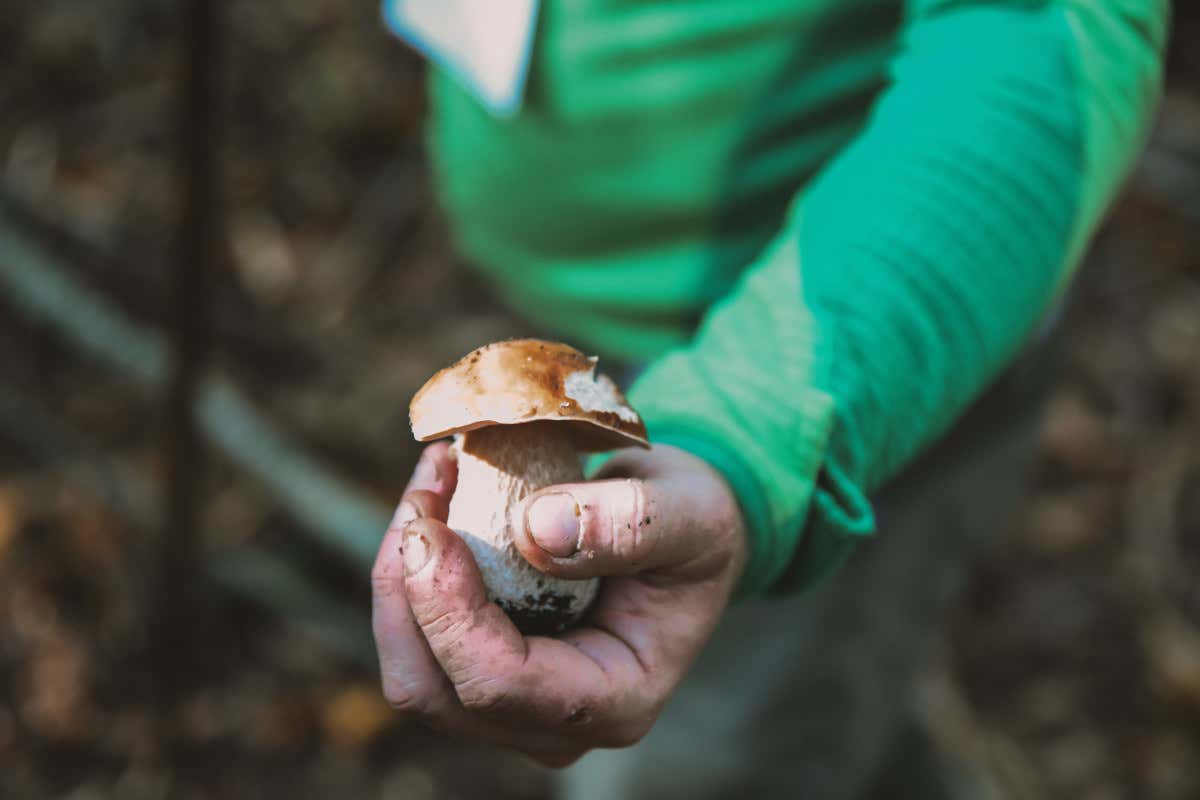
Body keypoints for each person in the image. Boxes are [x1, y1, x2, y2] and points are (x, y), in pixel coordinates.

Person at [370, 2, 1169, 796]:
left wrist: (749, 439)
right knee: (823, 717)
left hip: (852, 361)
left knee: (713, 758)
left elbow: (1037, 37)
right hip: (568, 333)